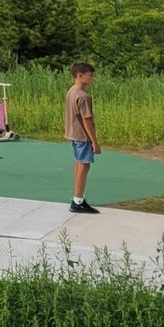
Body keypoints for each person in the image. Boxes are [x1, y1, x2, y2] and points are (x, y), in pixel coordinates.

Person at [66, 61, 100, 213]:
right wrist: (95, 142)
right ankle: (78, 200)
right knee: (84, 165)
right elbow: (87, 121)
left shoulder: (71, 91)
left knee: (79, 164)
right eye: (90, 75)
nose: (93, 78)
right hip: (82, 136)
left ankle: (78, 197)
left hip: (73, 134)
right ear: (80, 76)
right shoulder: (84, 96)